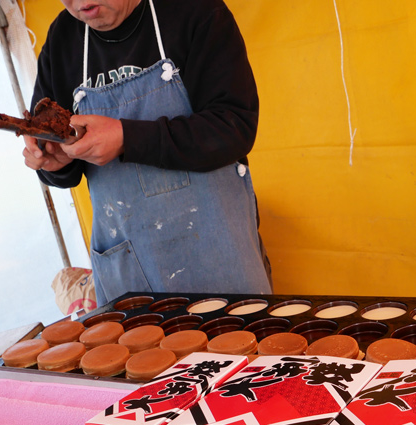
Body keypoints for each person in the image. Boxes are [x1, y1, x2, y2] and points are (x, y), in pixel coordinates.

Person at [23, 0, 272, 306]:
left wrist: (127, 137)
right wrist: (53, 163)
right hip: (130, 274)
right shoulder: (63, 38)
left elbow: (233, 127)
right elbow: (59, 162)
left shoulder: (197, 12)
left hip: (217, 255)